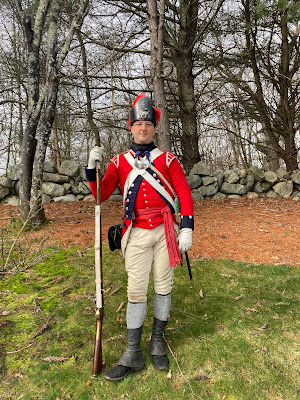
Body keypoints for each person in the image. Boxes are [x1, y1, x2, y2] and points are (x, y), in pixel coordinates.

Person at [86, 94, 194, 381]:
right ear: (130, 127)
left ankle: (157, 341)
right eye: (138, 124)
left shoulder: (168, 160)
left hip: (164, 232)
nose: (143, 128)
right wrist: (90, 169)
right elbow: (101, 194)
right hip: (134, 233)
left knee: (163, 286)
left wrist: (186, 227)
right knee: (135, 292)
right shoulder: (120, 162)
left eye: (148, 123)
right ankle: (133, 352)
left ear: (154, 128)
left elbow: (183, 193)